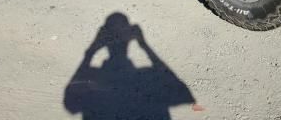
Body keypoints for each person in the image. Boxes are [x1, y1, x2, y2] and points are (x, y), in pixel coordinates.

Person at [64, 13, 194, 120]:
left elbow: (70, 103)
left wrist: (91, 51)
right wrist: (144, 45)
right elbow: (181, 90)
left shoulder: (95, 76)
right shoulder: (147, 75)